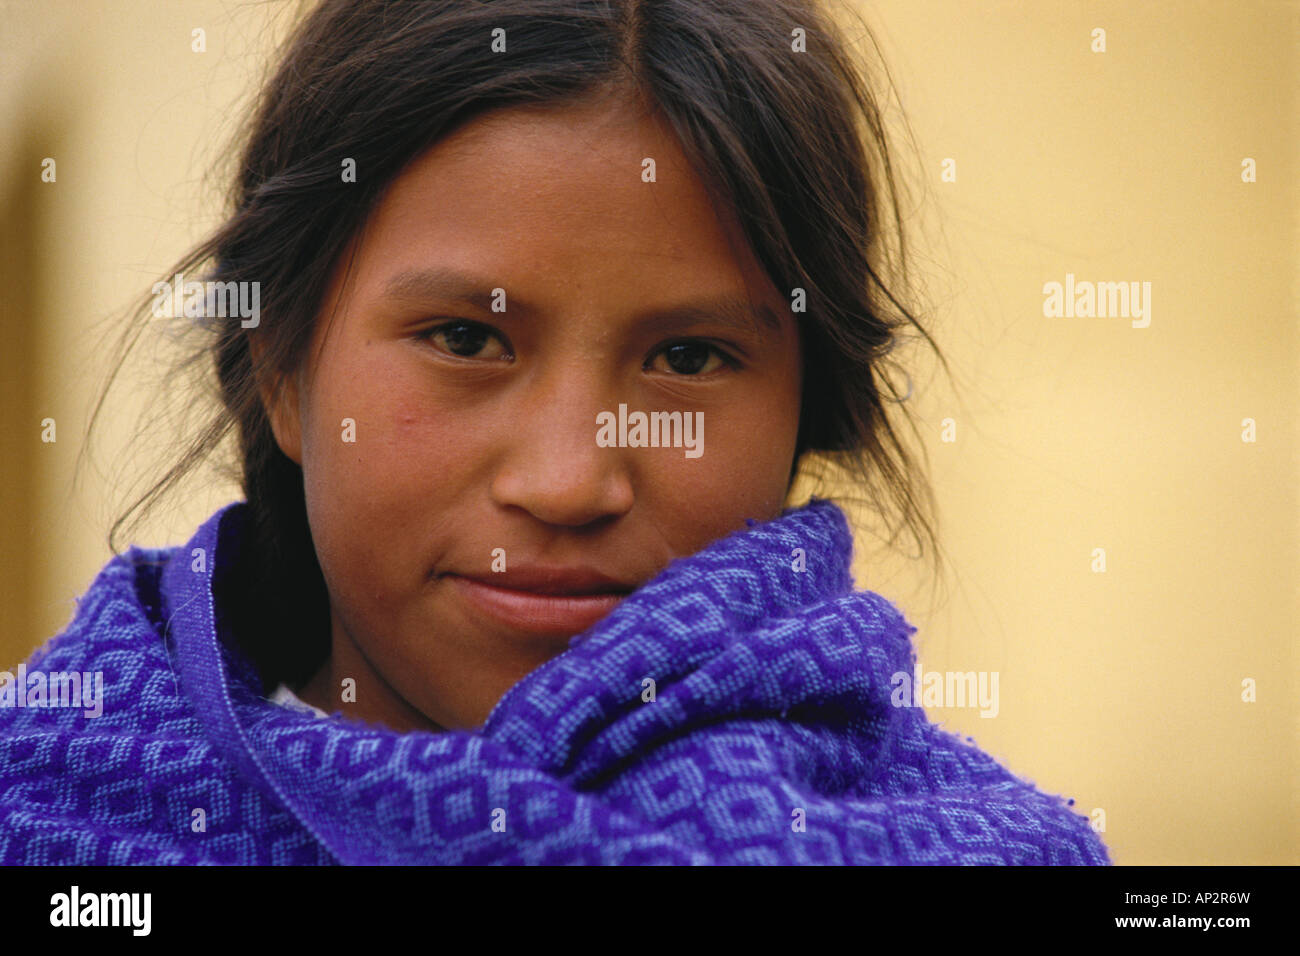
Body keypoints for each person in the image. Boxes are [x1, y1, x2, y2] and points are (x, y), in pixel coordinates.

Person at [0, 0, 1109, 865]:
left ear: (805, 409)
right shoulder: (50, 815)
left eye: (687, 358)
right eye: (464, 339)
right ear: (280, 365)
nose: (568, 478)